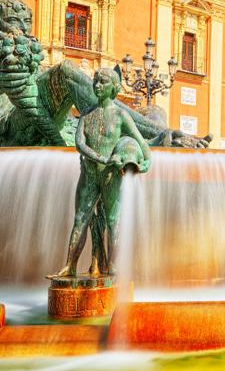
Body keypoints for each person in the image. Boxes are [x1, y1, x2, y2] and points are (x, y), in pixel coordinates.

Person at [51, 68, 151, 278]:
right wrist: (102, 158)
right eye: (96, 81)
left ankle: (112, 265)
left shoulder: (121, 115)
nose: (97, 85)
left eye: (103, 82)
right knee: (80, 219)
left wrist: (145, 162)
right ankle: (70, 265)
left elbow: (142, 143)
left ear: (114, 88)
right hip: (89, 174)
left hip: (110, 176)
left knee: (113, 220)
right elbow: (79, 143)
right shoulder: (87, 113)